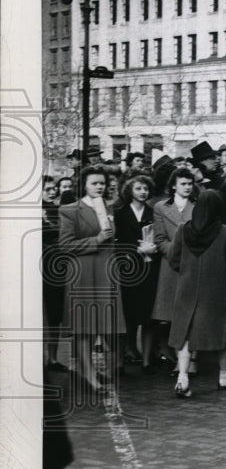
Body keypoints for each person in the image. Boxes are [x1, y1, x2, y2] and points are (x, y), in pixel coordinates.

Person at [168, 190, 226, 396]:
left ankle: (182, 378)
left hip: (186, 289)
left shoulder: (182, 230)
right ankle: (225, 376)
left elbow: (173, 259)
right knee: (221, 334)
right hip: (215, 291)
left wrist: (187, 272)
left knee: (185, 333)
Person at [58, 166, 124, 393]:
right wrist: (96, 240)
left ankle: (94, 371)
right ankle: (88, 374)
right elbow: (65, 245)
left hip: (105, 271)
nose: (99, 187)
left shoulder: (108, 207)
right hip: (83, 272)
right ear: (83, 185)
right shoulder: (71, 210)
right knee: (84, 326)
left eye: (102, 183)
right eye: (94, 183)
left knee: (101, 324)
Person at [151, 168, 197, 369]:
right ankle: (177, 356)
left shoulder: (198, 206)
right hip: (170, 265)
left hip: (193, 264)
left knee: (192, 313)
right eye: (183, 184)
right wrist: (175, 252)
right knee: (170, 316)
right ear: (173, 186)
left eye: (190, 183)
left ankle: (190, 360)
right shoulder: (161, 207)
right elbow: (159, 238)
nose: (187, 187)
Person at [113, 175, 160, 373]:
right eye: (139, 188)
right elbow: (117, 242)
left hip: (150, 270)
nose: (143, 192)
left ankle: (147, 360)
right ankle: (120, 360)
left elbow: (161, 236)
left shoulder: (154, 213)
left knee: (148, 316)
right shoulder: (120, 214)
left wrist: (154, 247)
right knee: (127, 316)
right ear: (130, 191)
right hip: (128, 270)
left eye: (146, 189)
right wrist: (136, 249)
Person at [42, 177, 69, 372]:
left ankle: (52, 357)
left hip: (56, 267)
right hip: (40, 266)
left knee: (54, 315)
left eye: (54, 188)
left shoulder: (58, 210)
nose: (52, 192)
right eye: (48, 189)